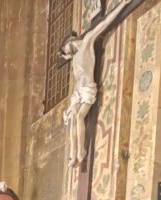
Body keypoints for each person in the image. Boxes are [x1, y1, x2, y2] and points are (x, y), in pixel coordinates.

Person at [59, 0, 132, 167]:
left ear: (69, 43)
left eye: (65, 51)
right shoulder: (75, 56)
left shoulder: (86, 43)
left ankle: (81, 151)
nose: (67, 55)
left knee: (79, 116)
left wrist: (123, 4)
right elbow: (71, 63)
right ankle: (73, 154)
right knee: (72, 118)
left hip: (87, 89)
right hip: (77, 92)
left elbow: (105, 23)